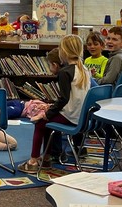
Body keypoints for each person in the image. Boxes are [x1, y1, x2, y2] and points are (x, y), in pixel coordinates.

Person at [18, 35, 91, 173]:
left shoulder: (65, 72)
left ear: (63, 51)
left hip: (70, 116)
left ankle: (33, 161)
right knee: (47, 124)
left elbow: (63, 99)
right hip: (81, 116)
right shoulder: (85, 70)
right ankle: (46, 159)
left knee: (40, 123)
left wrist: (47, 113)